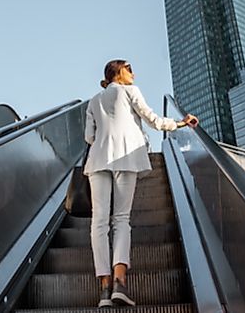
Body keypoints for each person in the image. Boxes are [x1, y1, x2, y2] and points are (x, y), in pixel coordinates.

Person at [84, 59, 198, 308]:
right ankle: (120, 284)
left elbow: (89, 137)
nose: (134, 73)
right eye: (129, 68)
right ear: (118, 73)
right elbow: (154, 121)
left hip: (98, 162)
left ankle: (104, 290)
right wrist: (180, 123)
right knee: (121, 219)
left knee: (99, 222)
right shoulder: (130, 91)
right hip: (126, 157)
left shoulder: (94, 101)